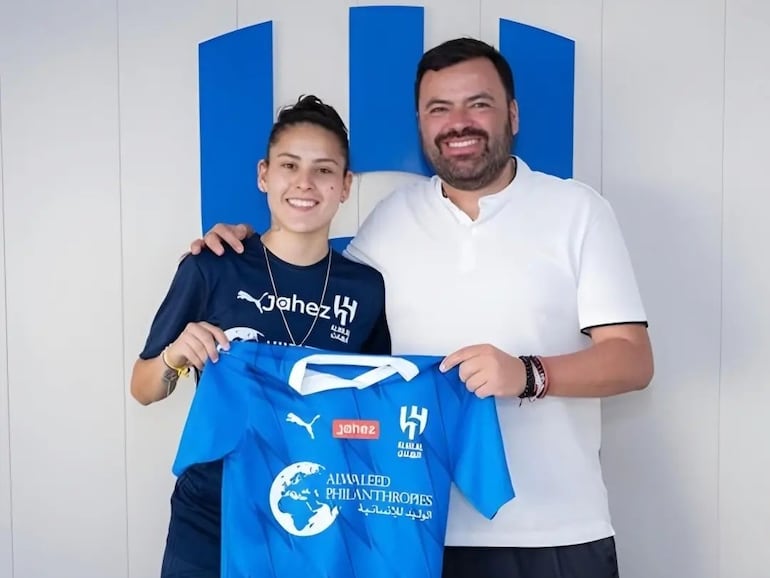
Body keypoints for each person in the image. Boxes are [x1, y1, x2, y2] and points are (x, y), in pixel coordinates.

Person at [191, 38, 653, 578]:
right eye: (439, 108)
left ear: (513, 113)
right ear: (420, 123)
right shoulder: (390, 221)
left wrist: (527, 374)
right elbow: (314, 291)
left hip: (556, 532)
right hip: (407, 531)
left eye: (478, 103)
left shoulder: (578, 210)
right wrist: (243, 248)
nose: (458, 123)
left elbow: (632, 359)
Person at [130, 95, 391, 578]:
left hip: (313, 513)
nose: (305, 183)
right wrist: (174, 357)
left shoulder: (366, 288)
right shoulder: (212, 264)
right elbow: (143, 387)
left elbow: (373, 410)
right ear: (264, 175)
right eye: (289, 165)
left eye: (324, 170)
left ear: (345, 186)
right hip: (211, 513)